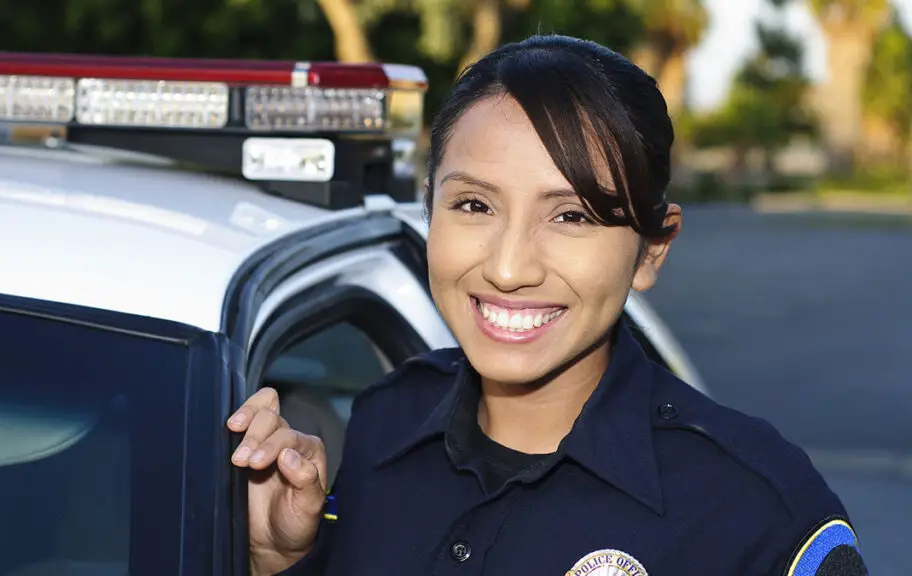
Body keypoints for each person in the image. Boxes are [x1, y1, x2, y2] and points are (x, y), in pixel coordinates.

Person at [227, 34, 868, 576]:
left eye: (571, 215)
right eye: (474, 206)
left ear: (651, 250)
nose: (508, 269)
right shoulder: (382, 424)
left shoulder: (756, 513)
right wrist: (281, 559)